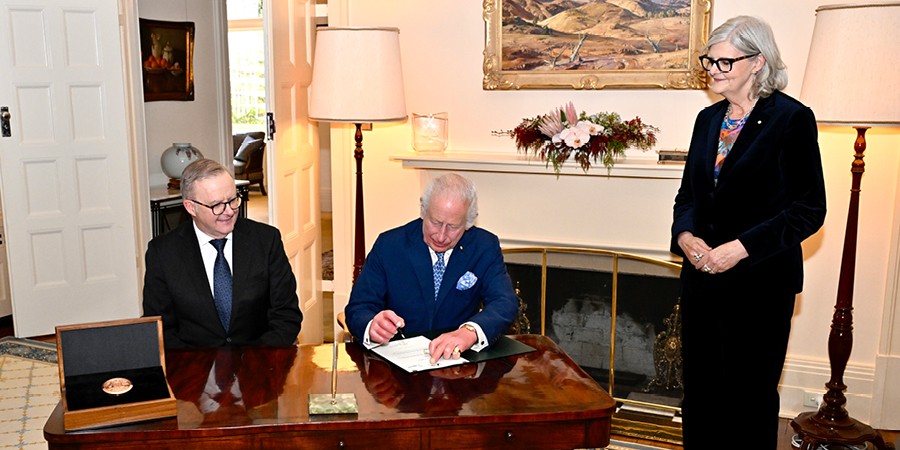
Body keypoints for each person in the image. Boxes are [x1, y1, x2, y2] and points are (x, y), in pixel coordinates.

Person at [671, 16, 826, 448]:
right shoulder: (707, 120)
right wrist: (685, 239)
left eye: (724, 61)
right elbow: (687, 197)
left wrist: (738, 249)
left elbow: (809, 209)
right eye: (709, 60)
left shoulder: (791, 119)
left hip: (760, 282)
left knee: (749, 397)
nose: (713, 69)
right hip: (702, 279)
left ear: (758, 61)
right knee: (699, 393)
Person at [345, 173, 518, 364]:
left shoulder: (484, 246)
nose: (441, 236)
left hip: (459, 365)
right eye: (435, 222)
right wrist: (372, 326)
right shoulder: (390, 245)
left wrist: (469, 332)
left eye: (453, 226)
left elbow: (505, 303)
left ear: (469, 223)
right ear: (423, 210)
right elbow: (358, 307)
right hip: (397, 367)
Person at [143, 159, 302, 348]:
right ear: (190, 207)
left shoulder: (266, 240)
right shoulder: (163, 252)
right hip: (195, 370)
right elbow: (161, 328)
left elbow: (286, 315)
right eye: (216, 205)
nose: (229, 211)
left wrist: (254, 363)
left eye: (232, 200)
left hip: (259, 363)